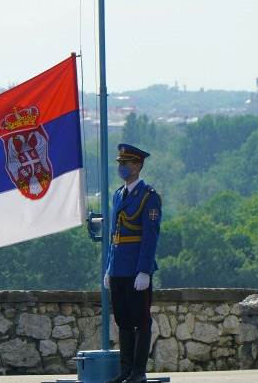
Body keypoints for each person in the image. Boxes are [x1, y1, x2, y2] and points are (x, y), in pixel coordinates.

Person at [103, 144, 162, 383]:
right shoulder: (118, 194)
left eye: (126, 164)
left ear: (137, 165)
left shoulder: (149, 197)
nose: (122, 168)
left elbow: (150, 237)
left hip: (136, 269)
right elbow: (113, 235)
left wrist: (144, 271)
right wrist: (109, 267)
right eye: (120, 163)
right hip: (118, 268)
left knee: (141, 321)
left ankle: (139, 372)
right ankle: (126, 371)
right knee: (123, 321)